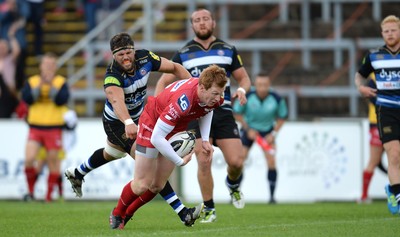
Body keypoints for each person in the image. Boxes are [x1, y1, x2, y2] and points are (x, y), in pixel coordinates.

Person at [64, 32, 202, 226]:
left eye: (128, 52)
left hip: (141, 118)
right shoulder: (112, 75)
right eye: (121, 55)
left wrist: (192, 86)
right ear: (113, 55)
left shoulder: (145, 58)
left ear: (134, 50)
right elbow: (116, 100)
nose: (126, 57)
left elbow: (174, 67)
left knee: (112, 153)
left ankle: (78, 173)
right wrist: (128, 122)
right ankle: (182, 212)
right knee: (150, 167)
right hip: (118, 123)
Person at [155, 8, 251, 223]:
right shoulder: (184, 52)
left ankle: (232, 185)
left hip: (223, 110)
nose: (202, 23)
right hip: (194, 113)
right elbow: (164, 80)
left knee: (236, 162)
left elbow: (244, 78)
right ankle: (209, 208)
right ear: (192, 26)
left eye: (205, 19)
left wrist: (242, 90)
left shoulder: (227, 49)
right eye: (197, 20)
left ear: (213, 23)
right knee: (204, 160)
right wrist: (158, 104)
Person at [109, 64, 228, 229]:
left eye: (220, 93)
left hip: (174, 127)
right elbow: (157, 137)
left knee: (157, 185)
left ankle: (127, 215)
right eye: (215, 93)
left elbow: (208, 109)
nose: (218, 98)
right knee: (141, 184)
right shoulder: (183, 101)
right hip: (152, 125)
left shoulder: (214, 96)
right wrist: (179, 161)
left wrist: (206, 140)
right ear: (202, 87)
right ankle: (117, 213)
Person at [354, 15, 400, 215]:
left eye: (393, 30)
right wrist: (360, 88)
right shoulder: (374, 56)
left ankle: (392, 188)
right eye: (386, 31)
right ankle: (398, 197)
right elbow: (359, 75)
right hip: (386, 110)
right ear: (382, 34)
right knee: (394, 154)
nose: (390, 34)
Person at [21, 52, 70, 202]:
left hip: (53, 126)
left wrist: (51, 87)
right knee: (29, 159)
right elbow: (27, 99)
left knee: (52, 162)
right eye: (46, 64)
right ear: (41, 66)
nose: (48, 67)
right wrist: (41, 86)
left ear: (55, 67)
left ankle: (48, 196)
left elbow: (61, 101)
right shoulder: (32, 81)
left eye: (51, 65)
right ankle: (30, 192)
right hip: (35, 126)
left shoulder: (61, 82)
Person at [233, 72, 287, 204]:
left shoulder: (277, 98)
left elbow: (282, 117)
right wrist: (247, 128)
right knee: (239, 162)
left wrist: (273, 134)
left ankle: (272, 197)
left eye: (265, 85)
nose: (262, 88)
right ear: (255, 85)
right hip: (249, 130)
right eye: (259, 85)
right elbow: (237, 113)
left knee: (271, 161)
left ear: (269, 85)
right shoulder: (248, 96)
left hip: (267, 132)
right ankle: (235, 195)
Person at [359, 74, 387, 203]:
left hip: (394, 121)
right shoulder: (374, 78)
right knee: (374, 160)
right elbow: (371, 97)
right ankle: (364, 196)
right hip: (377, 121)